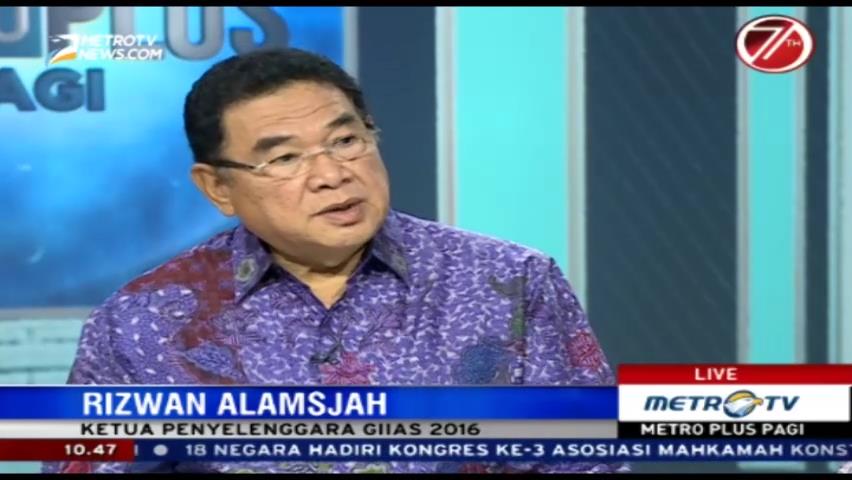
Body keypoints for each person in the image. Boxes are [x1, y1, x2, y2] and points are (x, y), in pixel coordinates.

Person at [43, 48, 624, 474]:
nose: (330, 175)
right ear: (218, 187)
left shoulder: (512, 282)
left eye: (346, 141)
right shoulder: (141, 322)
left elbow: (586, 459)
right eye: (284, 158)